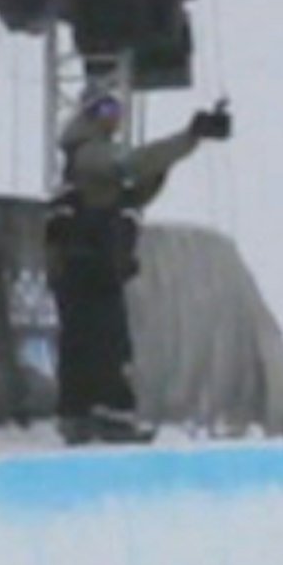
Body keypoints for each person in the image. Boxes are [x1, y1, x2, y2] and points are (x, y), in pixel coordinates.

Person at [45, 87, 232, 443]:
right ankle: (107, 414)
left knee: (88, 342)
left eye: (116, 107)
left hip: (93, 268)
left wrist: (182, 149)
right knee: (105, 341)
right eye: (103, 107)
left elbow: (135, 187)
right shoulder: (90, 153)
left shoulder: (90, 159)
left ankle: (81, 415)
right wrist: (188, 137)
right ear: (87, 115)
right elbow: (131, 165)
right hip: (88, 268)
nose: (113, 116)